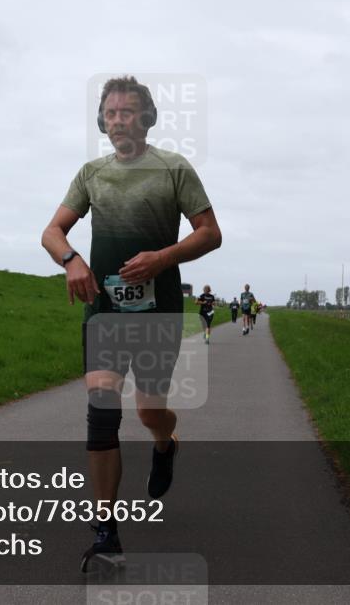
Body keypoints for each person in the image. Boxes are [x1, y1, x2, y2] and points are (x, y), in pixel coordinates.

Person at [41, 75, 221, 570]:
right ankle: (105, 534)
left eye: (129, 112)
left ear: (147, 117)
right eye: (112, 113)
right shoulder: (91, 173)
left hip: (158, 310)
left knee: (148, 412)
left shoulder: (173, 168)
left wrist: (162, 258)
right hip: (105, 313)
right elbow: (52, 231)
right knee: (102, 412)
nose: (119, 120)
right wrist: (72, 260)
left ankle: (166, 442)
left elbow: (210, 233)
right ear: (103, 120)